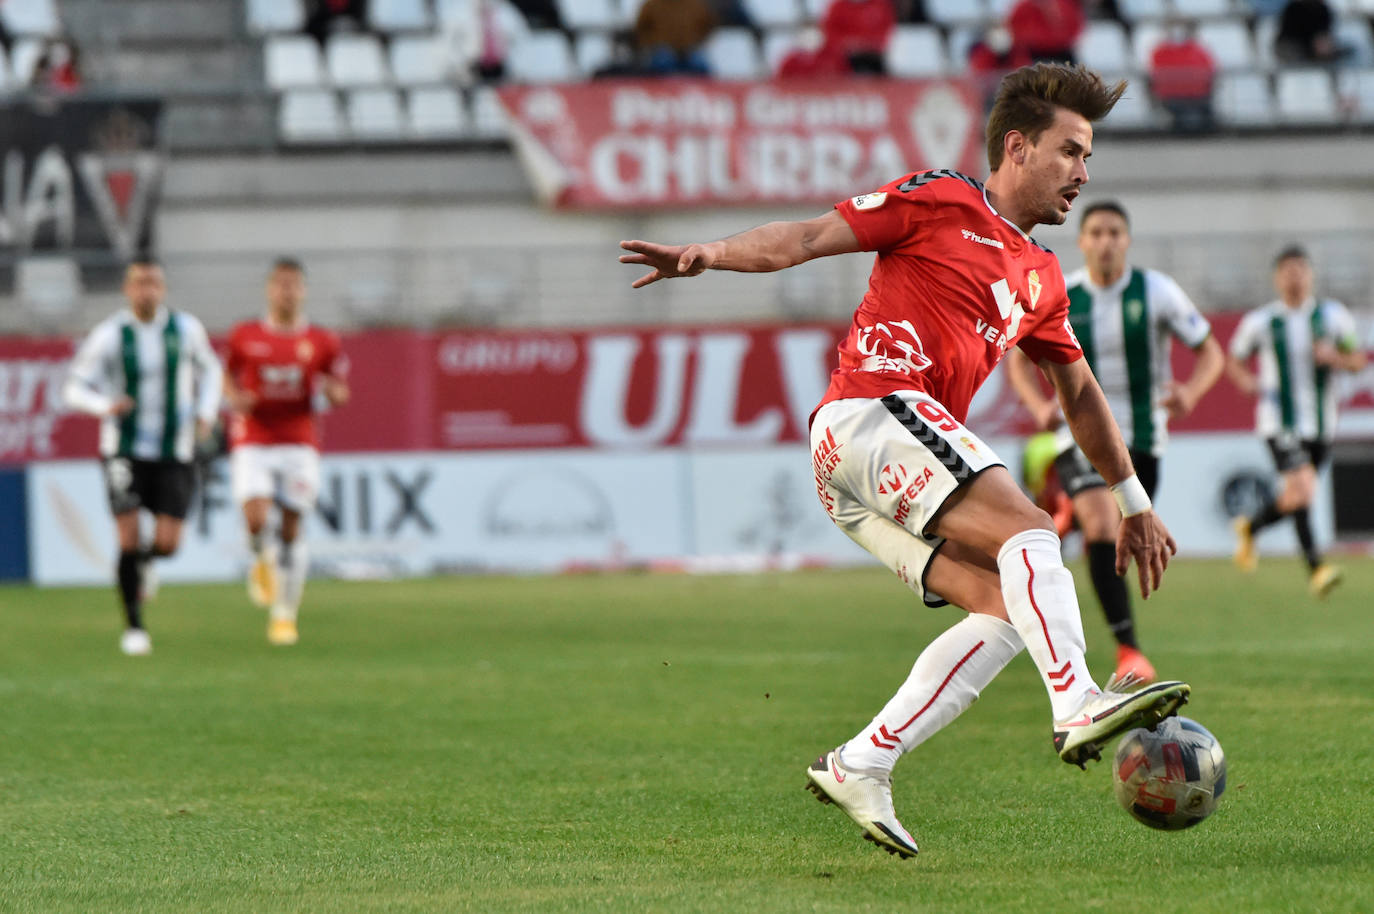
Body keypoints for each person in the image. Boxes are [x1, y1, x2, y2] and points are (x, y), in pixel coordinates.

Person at [619, 63, 1190, 859]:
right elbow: (811, 237)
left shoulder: (1043, 279)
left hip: (850, 474)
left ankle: (862, 762)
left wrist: (1132, 500)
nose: (1083, 174)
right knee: (1031, 534)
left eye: (1089, 156)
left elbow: (1080, 390)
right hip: (869, 409)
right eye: (1070, 152)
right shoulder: (943, 199)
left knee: (1003, 609)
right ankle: (1077, 704)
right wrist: (710, 253)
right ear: (1017, 148)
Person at [1005, 200, 1223, 685]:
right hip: (1077, 435)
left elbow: (1210, 351)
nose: (1106, 242)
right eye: (1097, 233)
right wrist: (1037, 404)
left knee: (1121, 530)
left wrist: (1190, 391)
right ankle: (1129, 649)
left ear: (1126, 240)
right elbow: (1018, 358)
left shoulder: (1157, 291)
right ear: (1082, 241)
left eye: (1115, 233)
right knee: (1104, 522)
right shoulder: (1063, 293)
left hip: (1144, 440)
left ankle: (1065, 520)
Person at [63, 257, 223, 656]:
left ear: (163, 288)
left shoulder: (186, 330)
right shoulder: (110, 334)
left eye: (153, 283)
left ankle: (148, 564)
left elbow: (213, 372)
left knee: (168, 543)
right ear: (126, 288)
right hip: (124, 449)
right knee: (128, 534)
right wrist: (105, 406)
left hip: (175, 450)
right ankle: (134, 626)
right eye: (139, 283)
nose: (146, 290)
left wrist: (205, 413)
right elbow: (73, 388)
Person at [223, 258, 349, 647]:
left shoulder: (323, 341)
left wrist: (333, 393)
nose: (287, 291)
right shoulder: (244, 335)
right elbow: (224, 375)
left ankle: (284, 615)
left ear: (304, 290)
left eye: (294, 284)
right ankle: (261, 557)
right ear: (269, 289)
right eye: (280, 284)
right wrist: (234, 398)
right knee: (256, 517)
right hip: (255, 438)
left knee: (293, 528)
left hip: (299, 440)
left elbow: (342, 390)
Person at [1226, 245, 1365, 597]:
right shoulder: (1262, 321)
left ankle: (1252, 527)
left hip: (1321, 425)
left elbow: (1358, 360)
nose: (1295, 276)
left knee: (1297, 495)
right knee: (1302, 489)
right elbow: (1234, 357)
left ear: (1311, 274)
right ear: (1277, 278)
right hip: (1279, 422)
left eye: (1301, 269)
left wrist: (1336, 357)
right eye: (1288, 270)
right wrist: (1244, 381)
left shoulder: (1333, 317)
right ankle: (1317, 570)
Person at [1148, 19, 1215, 134]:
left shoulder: (1198, 50)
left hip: (1198, 95)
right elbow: (1157, 74)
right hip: (1170, 96)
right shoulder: (1160, 51)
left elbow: (1209, 70)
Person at [633, 0, 716, 76]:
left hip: (690, 49)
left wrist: (698, 41)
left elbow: (708, 25)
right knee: (662, 61)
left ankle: (700, 90)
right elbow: (641, 28)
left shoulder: (696, 5)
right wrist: (651, 43)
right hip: (662, 49)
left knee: (700, 64)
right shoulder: (652, 5)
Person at [819, 0, 896, 75]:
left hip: (874, 57)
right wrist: (846, 44)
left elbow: (886, 30)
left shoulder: (880, 5)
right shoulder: (838, 7)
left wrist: (867, 44)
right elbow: (829, 32)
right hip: (844, 60)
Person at [1006, 0, 1085, 65]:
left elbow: (1075, 26)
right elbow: (1013, 27)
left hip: (1061, 51)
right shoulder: (1024, 7)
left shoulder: (1065, 6)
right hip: (1033, 52)